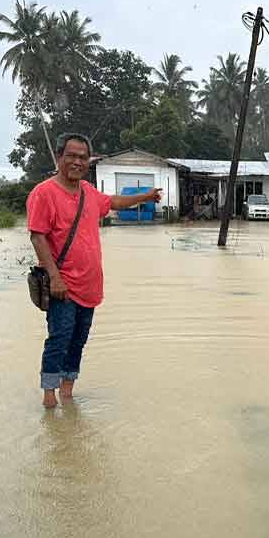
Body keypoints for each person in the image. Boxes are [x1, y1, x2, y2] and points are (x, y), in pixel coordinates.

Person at [27, 132, 162, 408]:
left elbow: (113, 202)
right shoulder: (44, 193)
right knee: (59, 339)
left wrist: (146, 195)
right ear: (59, 157)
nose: (77, 162)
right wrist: (54, 277)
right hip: (61, 286)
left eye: (83, 157)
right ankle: (49, 398)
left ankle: (68, 393)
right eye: (71, 156)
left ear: (89, 161)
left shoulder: (89, 192)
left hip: (90, 286)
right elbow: (37, 237)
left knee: (78, 341)